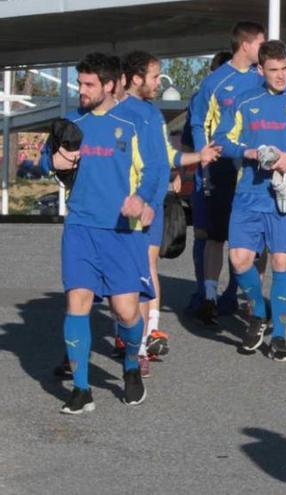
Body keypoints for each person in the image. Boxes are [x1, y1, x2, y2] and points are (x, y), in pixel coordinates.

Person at [48, 52, 161, 414]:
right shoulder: (71, 121)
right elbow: (51, 158)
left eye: (88, 84)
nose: (81, 90)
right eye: (79, 83)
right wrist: (55, 160)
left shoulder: (137, 120)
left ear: (110, 85)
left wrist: (141, 199)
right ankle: (81, 390)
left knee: (126, 312)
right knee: (77, 302)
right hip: (80, 227)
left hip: (122, 231)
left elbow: (156, 169)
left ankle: (130, 365)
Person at [214, 40, 286, 358]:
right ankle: (260, 313)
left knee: (281, 261)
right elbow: (222, 140)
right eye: (274, 70)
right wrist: (249, 152)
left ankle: (279, 337)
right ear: (260, 69)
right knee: (239, 260)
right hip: (249, 193)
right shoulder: (243, 101)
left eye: (285, 69)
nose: (281, 76)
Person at [119, 50, 222, 376]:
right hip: (126, 204)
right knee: (126, 271)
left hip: (154, 203)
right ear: (136, 78)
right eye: (153, 76)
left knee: (148, 267)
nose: (158, 83)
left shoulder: (153, 114)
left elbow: (166, 156)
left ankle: (148, 335)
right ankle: (127, 332)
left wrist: (197, 156)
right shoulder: (118, 113)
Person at [190, 21, 266, 326]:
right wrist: (203, 157)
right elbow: (198, 122)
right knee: (215, 235)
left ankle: (252, 302)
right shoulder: (216, 82)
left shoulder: (264, 78)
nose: (264, 48)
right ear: (246, 45)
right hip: (221, 169)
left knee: (255, 240)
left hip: (254, 170)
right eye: (262, 42)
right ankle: (209, 297)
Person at [185, 50, 233, 312]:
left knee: (238, 241)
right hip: (207, 178)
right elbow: (188, 139)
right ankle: (205, 294)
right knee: (205, 236)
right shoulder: (201, 98)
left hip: (234, 175)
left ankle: (232, 294)